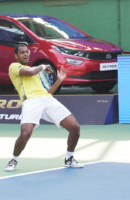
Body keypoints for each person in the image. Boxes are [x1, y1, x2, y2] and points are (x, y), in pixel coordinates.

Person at [5, 43, 83, 172]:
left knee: (75, 127)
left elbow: (48, 91)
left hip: (47, 100)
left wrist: (59, 80)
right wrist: (43, 66)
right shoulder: (14, 67)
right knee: (26, 133)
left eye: (27, 52)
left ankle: (69, 158)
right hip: (30, 101)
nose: (26, 54)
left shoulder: (37, 72)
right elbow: (29, 72)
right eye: (22, 52)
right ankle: (14, 159)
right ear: (16, 55)